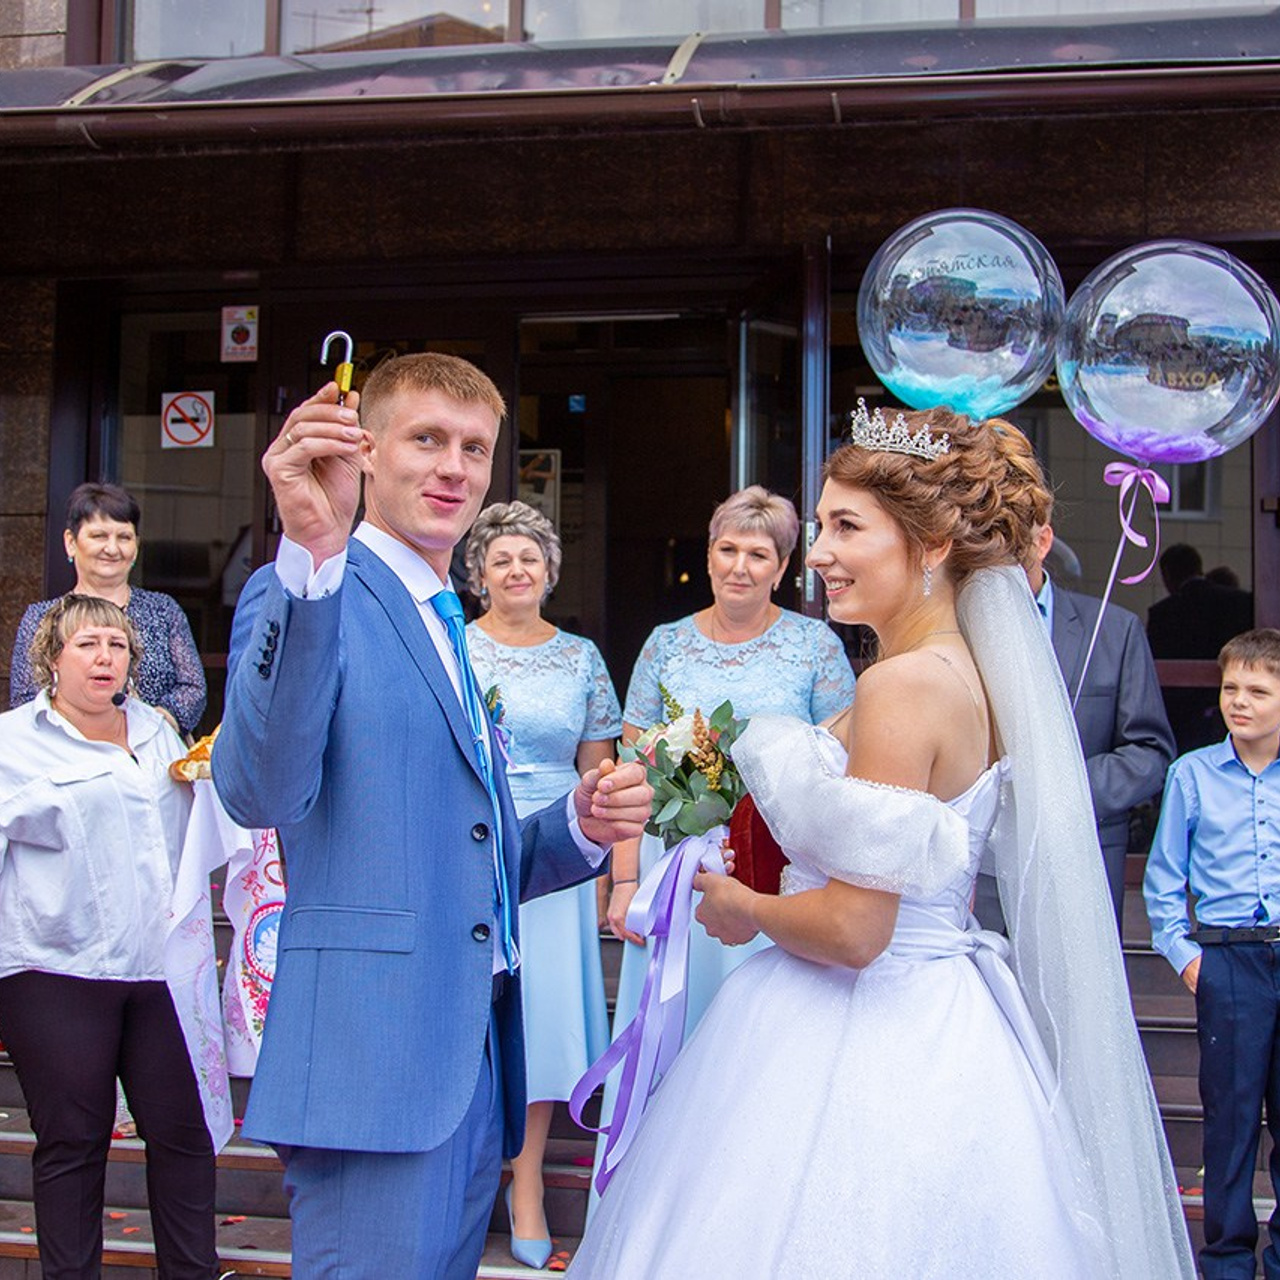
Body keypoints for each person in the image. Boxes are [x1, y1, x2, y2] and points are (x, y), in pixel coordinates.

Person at [571, 404, 1193, 1277]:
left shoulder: (905, 685)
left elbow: (860, 931)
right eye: (821, 525)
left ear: (933, 545)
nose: (818, 552)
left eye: (844, 527)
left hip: (866, 1024)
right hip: (946, 1012)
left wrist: (743, 905)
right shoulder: (958, 672)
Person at [210, 353, 652, 1280]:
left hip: (474, 1053)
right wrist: (307, 558)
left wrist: (577, 824)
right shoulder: (312, 590)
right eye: (427, 440)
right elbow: (257, 789)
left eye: (474, 448)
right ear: (366, 450)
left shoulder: (445, 618)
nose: (454, 466)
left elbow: (469, 853)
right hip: (373, 1060)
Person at [589, 485, 855, 1211]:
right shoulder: (665, 644)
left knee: (761, 1050)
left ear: (783, 566)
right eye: (727, 549)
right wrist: (620, 881)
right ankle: (656, 1207)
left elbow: (840, 764)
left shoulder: (814, 646)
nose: (740, 566)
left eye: (758, 554)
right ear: (708, 556)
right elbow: (631, 764)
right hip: (672, 869)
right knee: (669, 1032)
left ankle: (745, 1209)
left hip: (768, 876)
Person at [0, 595, 217, 1278]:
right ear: (51, 657)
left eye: (117, 646)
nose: (104, 658)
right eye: (87, 644)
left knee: (184, 1136)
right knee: (72, 1141)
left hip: (161, 970)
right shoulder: (13, 742)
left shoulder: (158, 733)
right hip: (55, 968)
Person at [464, 500, 621, 1269]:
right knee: (475, 1016)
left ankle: (526, 1183)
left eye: (531, 558)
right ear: (479, 574)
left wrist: (605, 868)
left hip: (560, 853)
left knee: (543, 1023)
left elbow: (599, 772)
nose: (518, 570)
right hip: (473, 849)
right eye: (502, 559)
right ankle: (468, 1174)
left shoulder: (583, 659)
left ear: (550, 572)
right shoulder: (453, 648)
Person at [1144, 628, 1280, 1279]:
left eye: (1258, 690)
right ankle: (1226, 1262)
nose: (1240, 701)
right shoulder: (1192, 775)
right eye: (1231, 688)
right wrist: (1189, 958)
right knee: (1229, 1124)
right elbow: (1163, 880)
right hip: (1228, 964)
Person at [977, 519, 1174, 928]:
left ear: (1043, 540)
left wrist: (1068, 787)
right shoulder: (960, 628)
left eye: (1005, 540)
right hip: (983, 866)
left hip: (1084, 857)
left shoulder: (1115, 630)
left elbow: (1150, 752)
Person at [9, 482, 207, 737]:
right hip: (66, 757)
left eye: (124, 537)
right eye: (99, 536)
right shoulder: (43, 617)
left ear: (136, 545)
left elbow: (193, 688)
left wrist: (147, 728)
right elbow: (25, 699)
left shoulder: (163, 610)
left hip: (150, 754)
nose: (112, 549)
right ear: (71, 542)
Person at [1148, 542, 1254, 754]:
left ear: (1167, 574)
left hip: (1180, 717)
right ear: (1199, 567)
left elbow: (1153, 668)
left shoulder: (1163, 613)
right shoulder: (1240, 601)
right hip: (1239, 710)